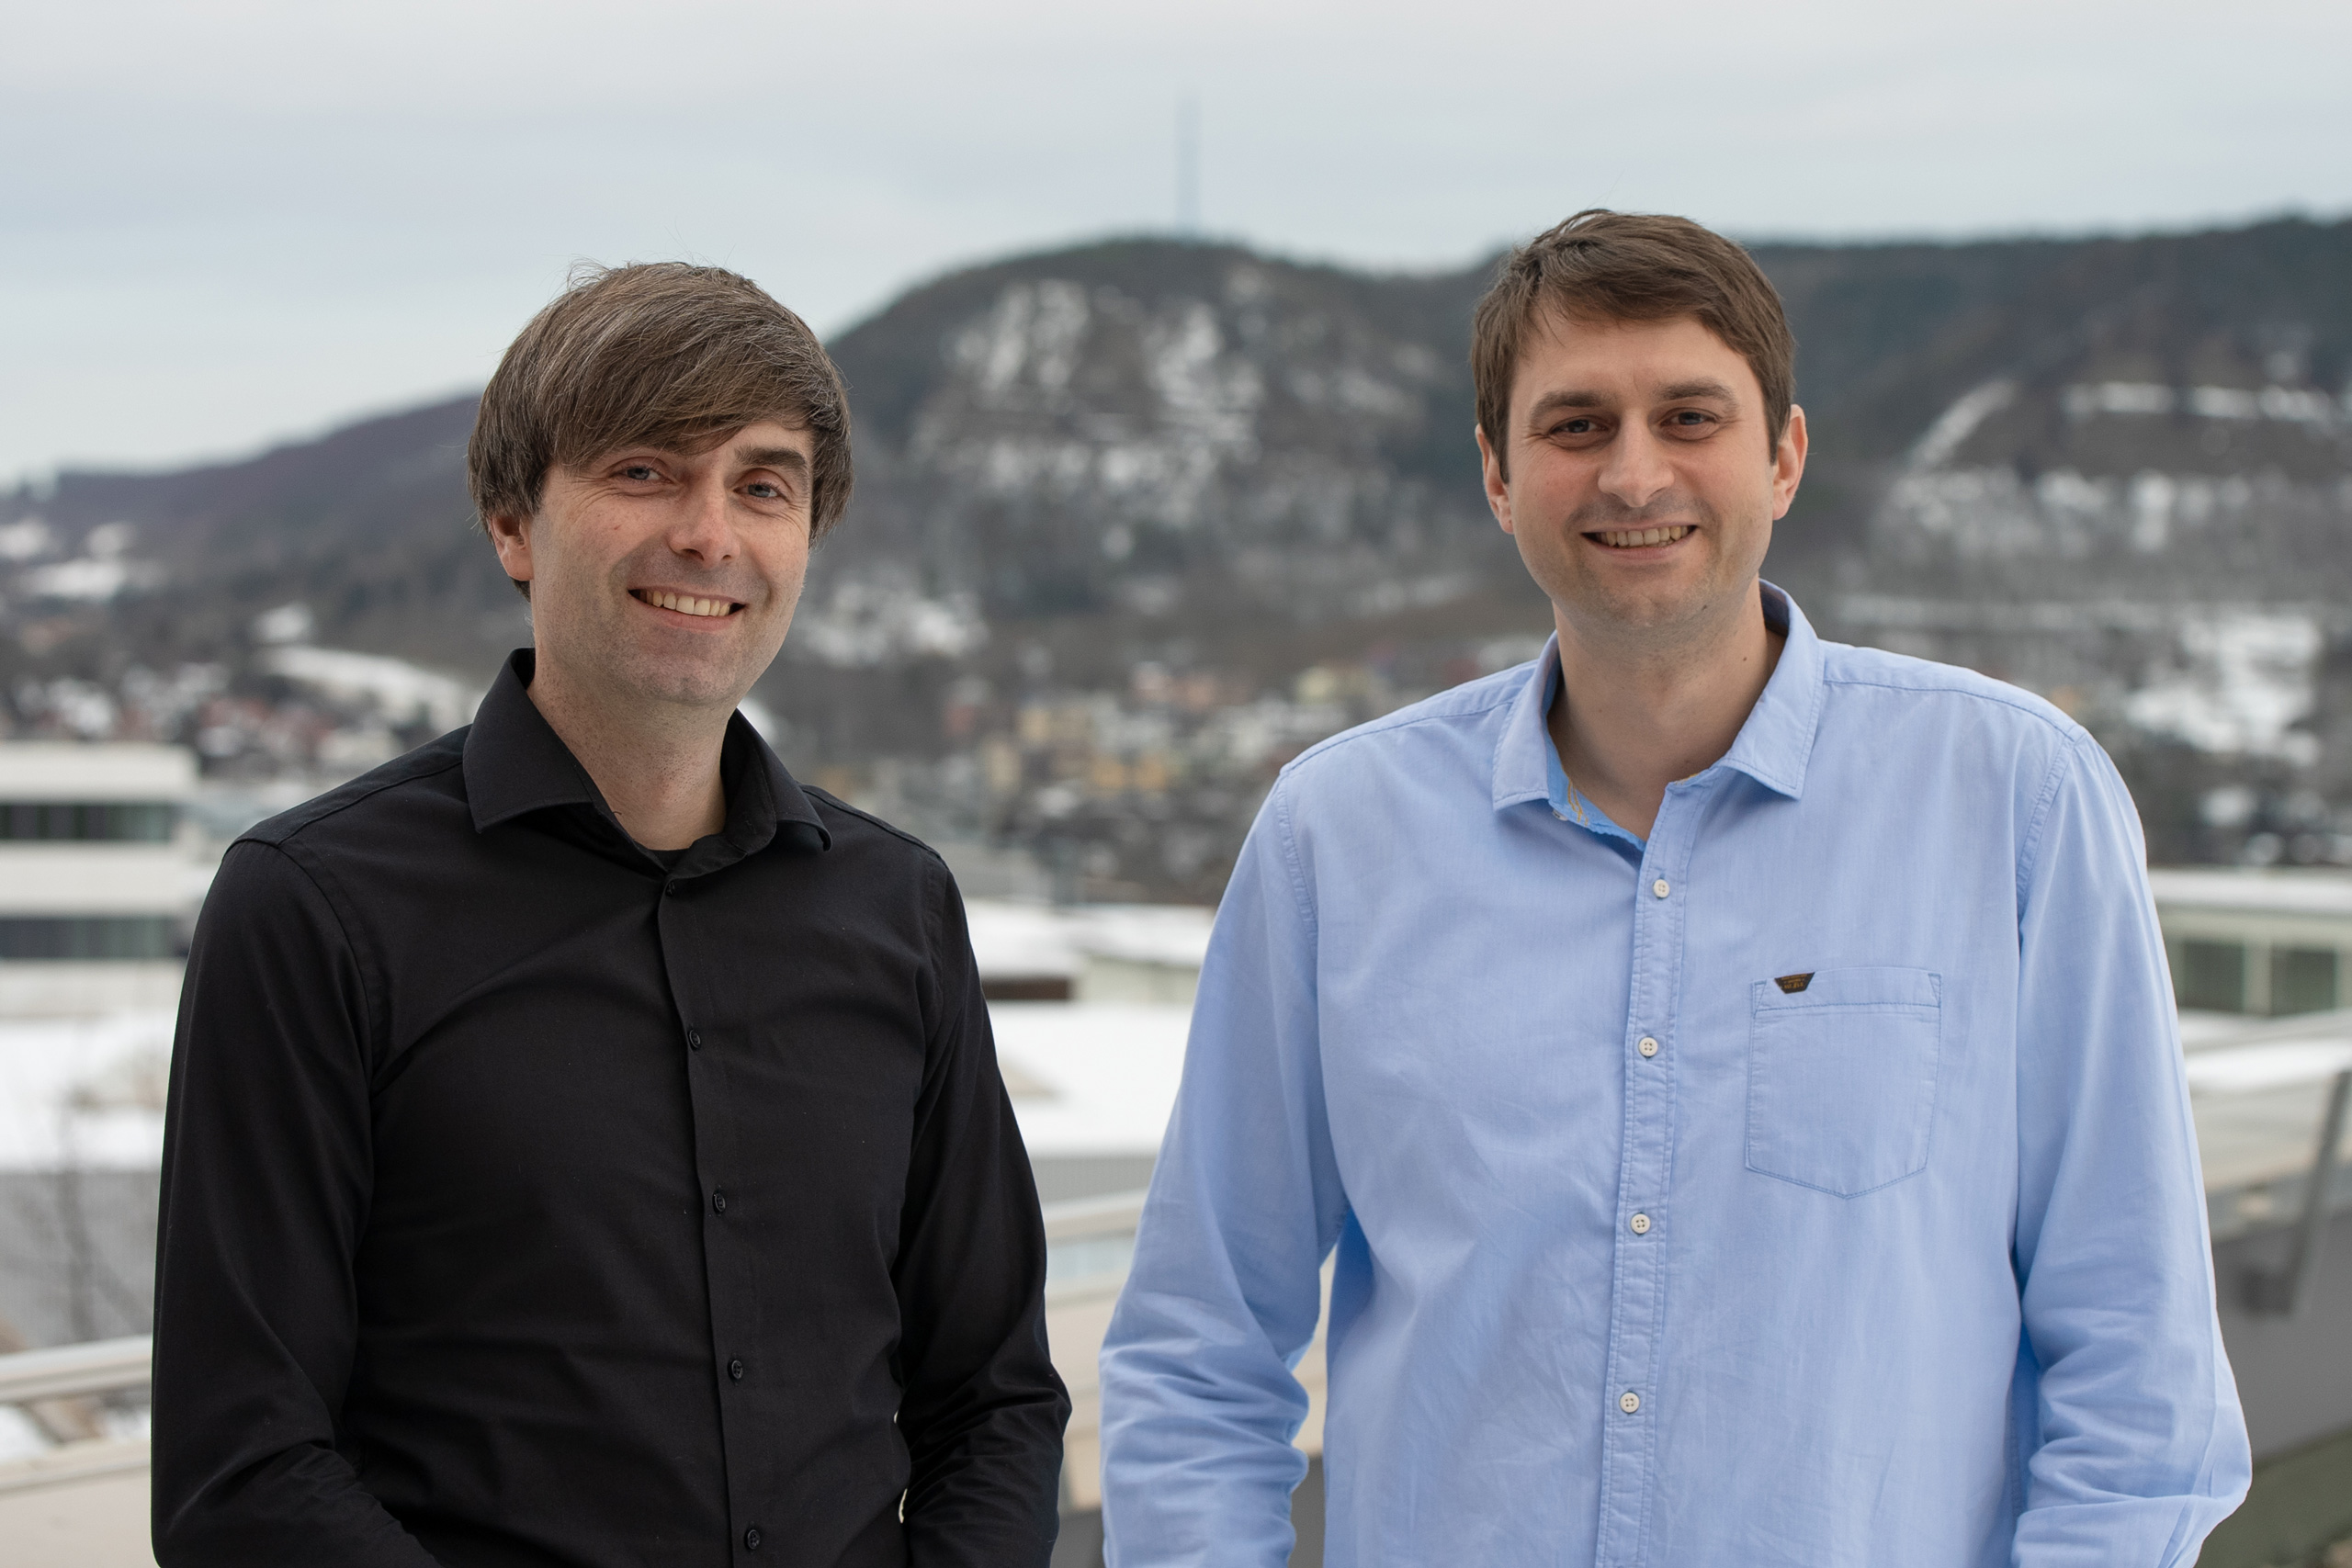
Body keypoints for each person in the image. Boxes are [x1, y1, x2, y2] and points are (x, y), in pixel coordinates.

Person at [1097, 210, 2248, 1565]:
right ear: (1495, 474)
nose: (1633, 475)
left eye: (1689, 416)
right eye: (1575, 425)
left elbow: (2137, 1365)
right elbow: (1198, 1350)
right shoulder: (1335, 837)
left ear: (1785, 457)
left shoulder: (2016, 801)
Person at [153, 263, 1069, 1567]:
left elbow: (996, 1402)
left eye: (763, 485)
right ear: (513, 525)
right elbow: (241, 1469)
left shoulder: (898, 906)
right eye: (645, 471)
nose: (710, 535)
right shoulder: (316, 908)